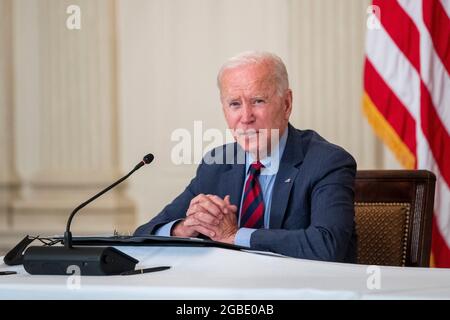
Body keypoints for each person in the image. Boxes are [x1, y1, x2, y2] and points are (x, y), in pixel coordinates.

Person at [134, 51, 357, 262]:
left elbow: (328, 245)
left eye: (258, 101)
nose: (246, 117)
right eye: (235, 104)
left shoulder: (327, 162)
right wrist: (186, 227)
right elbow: (142, 234)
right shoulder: (217, 164)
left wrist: (235, 236)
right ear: (224, 112)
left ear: (286, 104)